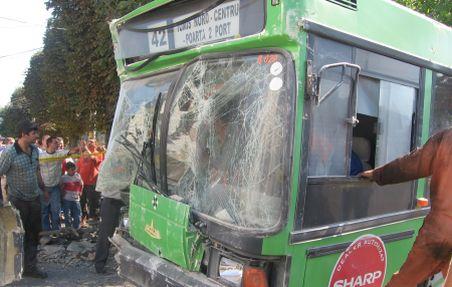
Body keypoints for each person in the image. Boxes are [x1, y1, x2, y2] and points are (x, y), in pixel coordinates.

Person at [360, 127, 452, 286]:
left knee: (404, 280)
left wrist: (377, 175)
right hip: (440, 228)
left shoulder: (446, 138)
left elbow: (411, 164)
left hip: (440, 230)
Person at [0, 121, 47, 278]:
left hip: (34, 199)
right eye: (33, 133)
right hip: (18, 200)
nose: (36, 136)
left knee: (34, 234)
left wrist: (43, 188)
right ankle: (13, 270)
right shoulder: (9, 153)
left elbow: (37, 170)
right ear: (23, 134)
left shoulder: (35, 150)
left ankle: (30, 268)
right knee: (18, 235)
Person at [39, 136, 78, 231]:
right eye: (55, 142)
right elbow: (37, 171)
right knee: (44, 211)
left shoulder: (60, 153)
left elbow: (71, 152)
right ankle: (46, 232)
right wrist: (43, 188)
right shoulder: (41, 156)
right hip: (44, 187)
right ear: (49, 144)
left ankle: (56, 231)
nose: (58, 144)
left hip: (55, 187)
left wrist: (79, 147)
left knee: (55, 211)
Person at [77, 139, 101, 224]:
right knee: (82, 201)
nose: (90, 143)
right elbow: (78, 166)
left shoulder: (97, 154)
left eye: (92, 142)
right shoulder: (83, 154)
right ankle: (83, 217)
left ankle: (92, 217)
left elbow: (96, 161)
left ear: (96, 144)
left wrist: (86, 149)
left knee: (92, 201)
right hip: (82, 183)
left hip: (92, 182)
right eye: (88, 141)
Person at [60, 162, 83, 230]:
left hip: (76, 199)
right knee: (67, 214)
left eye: (74, 169)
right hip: (67, 199)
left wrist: (80, 191)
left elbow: (81, 184)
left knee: (77, 214)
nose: (73, 171)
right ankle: (68, 228)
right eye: (71, 169)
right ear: (67, 170)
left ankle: (76, 228)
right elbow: (60, 187)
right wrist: (62, 193)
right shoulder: (64, 178)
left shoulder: (77, 176)